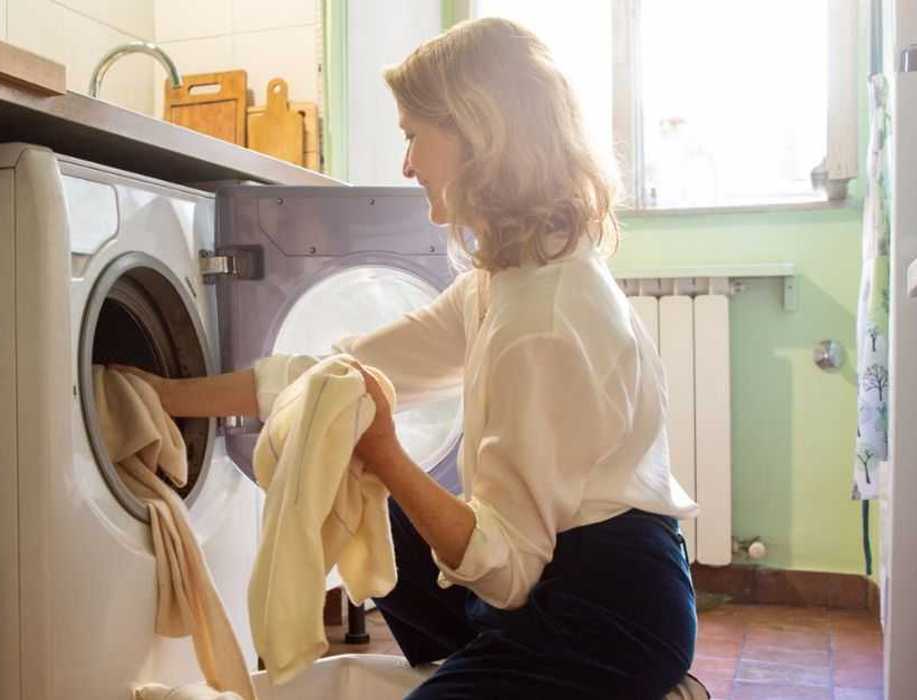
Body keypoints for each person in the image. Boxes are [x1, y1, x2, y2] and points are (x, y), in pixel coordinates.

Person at [122, 16, 699, 699]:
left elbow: (508, 569)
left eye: (412, 136)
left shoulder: (540, 320)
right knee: (371, 466)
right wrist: (155, 396)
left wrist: (387, 454)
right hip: (550, 579)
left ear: (478, 138)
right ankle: (485, 664)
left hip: (606, 616)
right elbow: (329, 375)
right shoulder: (502, 282)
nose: (405, 165)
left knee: (391, 482)